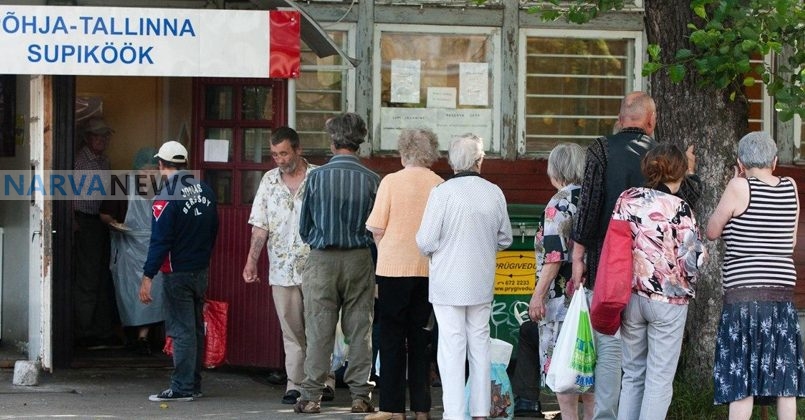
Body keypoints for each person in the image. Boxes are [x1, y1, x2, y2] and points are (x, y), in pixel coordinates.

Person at [569, 92, 658, 420]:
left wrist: (578, 256)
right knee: (645, 352)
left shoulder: (601, 149)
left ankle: (606, 415)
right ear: (651, 121)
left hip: (606, 265)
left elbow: (589, 206)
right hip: (651, 268)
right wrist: (690, 172)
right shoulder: (660, 154)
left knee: (609, 345)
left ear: (621, 119)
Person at [706, 131, 805, 420]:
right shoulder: (789, 186)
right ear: (775, 161)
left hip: (745, 297)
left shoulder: (738, 185)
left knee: (742, 379)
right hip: (781, 295)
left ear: (740, 162)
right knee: (783, 378)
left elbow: (712, 230)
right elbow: (790, 242)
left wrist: (736, 182)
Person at [416, 134, 513, 420]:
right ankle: (481, 412)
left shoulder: (441, 193)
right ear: (479, 161)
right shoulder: (494, 192)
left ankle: (455, 413)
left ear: (452, 162)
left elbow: (425, 241)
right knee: (480, 346)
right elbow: (505, 238)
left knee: (451, 348)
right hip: (480, 281)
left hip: (447, 283)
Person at [241, 127, 336, 405]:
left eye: (284, 153)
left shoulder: (319, 177)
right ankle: (295, 383)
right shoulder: (269, 180)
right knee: (291, 330)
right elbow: (260, 224)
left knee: (320, 326)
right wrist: (251, 260)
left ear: (298, 150)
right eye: (274, 154)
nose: (279, 159)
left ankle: (324, 381)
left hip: (317, 265)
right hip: (282, 268)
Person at [294, 113, 380, 415]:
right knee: (360, 329)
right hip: (359, 258)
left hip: (322, 259)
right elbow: (377, 227)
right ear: (360, 142)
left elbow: (304, 226)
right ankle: (360, 395)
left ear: (333, 142)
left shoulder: (315, 177)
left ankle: (312, 395)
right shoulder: (372, 180)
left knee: (319, 329)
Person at [614, 143, 705, 420]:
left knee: (632, 375)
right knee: (659, 380)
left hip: (631, 296)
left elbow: (616, 245)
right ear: (680, 173)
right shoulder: (680, 208)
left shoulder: (627, 198)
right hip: (669, 300)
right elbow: (694, 260)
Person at [364, 128, 444, 420]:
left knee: (392, 338)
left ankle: (392, 409)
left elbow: (376, 228)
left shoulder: (391, 182)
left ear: (403, 152)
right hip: (427, 270)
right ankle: (422, 409)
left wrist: (386, 252)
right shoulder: (439, 184)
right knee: (422, 340)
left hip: (392, 271)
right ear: (431, 154)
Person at [139, 140, 219, 402]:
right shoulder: (206, 190)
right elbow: (214, 229)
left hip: (177, 273)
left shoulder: (165, 197)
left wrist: (148, 276)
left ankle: (183, 387)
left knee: (182, 331)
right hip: (200, 270)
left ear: (162, 165)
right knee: (194, 329)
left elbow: (160, 241)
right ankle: (192, 383)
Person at [526, 143, 592, 420]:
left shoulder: (559, 204)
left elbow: (554, 256)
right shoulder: (593, 198)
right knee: (588, 368)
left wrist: (537, 295)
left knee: (564, 367)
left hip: (561, 301)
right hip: (591, 296)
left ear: (557, 170)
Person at [100, 147, 165, 356]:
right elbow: (104, 214)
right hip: (127, 249)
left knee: (153, 292)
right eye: (145, 170)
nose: (150, 174)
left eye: (154, 170)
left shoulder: (166, 187)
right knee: (128, 293)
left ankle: (143, 337)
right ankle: (129, 335)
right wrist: (114, 223)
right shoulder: (121, 183)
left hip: (155, 246)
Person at [73, 116, 118, 348]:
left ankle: (100, 330)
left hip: (100, 221)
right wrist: (71, 219)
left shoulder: (104, 161)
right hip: (84, 221)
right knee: (87, 277)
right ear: (88, 137)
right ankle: (83, 331)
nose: (102, 139)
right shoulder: (80, 161)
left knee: (101, 275)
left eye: (105, 135)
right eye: (98, 135)